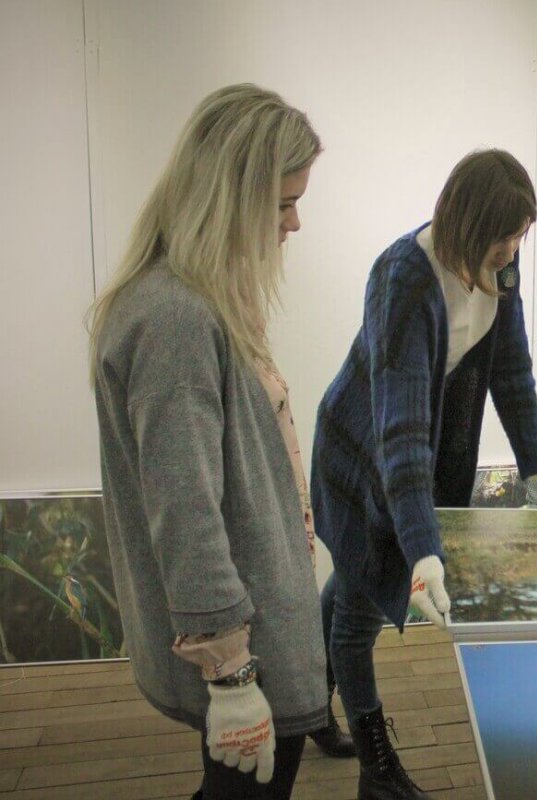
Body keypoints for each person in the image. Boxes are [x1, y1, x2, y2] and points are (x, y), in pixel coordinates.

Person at [89, 83, 334, 799]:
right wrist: (230, 674)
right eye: (282, 204)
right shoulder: (176, 319)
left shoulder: (201, 301)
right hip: (246, 640)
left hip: (258, 614)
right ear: (231, 199)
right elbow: (185, 509)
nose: (294, 223)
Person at [311, 148, 537, 800]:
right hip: (363, 452)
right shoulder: (404, 277)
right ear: (467, 224)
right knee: (360, 609)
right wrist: (423, 549)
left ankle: (308, 699)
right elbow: (399, 430)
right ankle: (377, 771)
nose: (512, 253)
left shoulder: (500, 269)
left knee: (353, 580)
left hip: (410, 452)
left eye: (520, 237)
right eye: (503, 239)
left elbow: (512, 373)